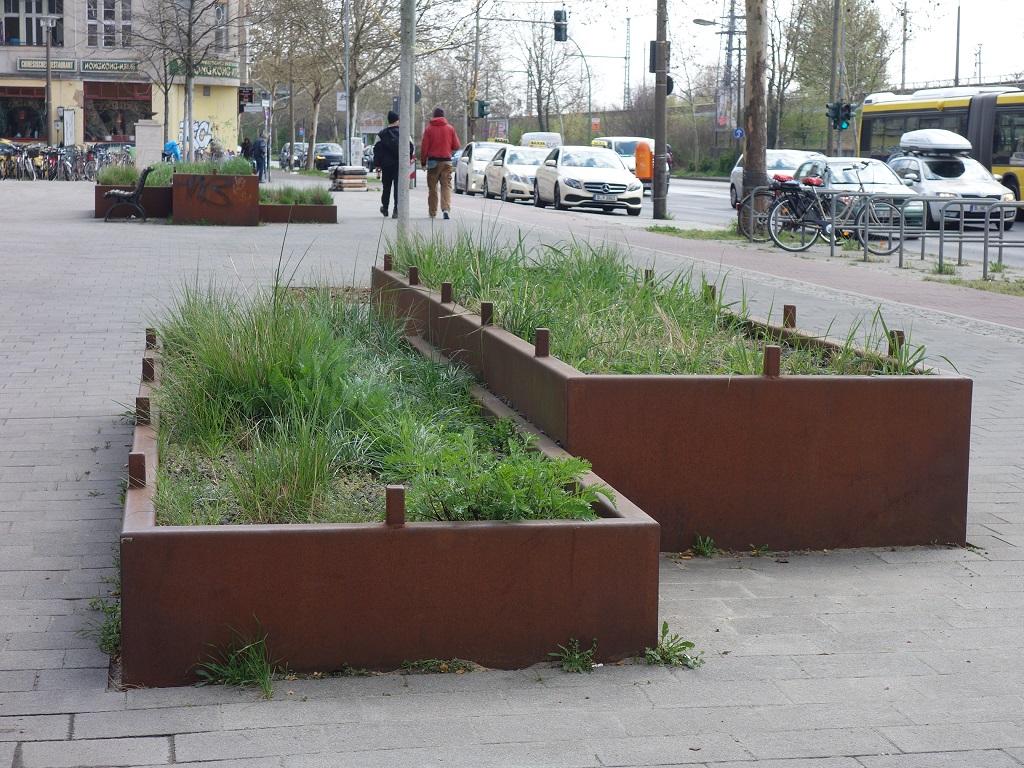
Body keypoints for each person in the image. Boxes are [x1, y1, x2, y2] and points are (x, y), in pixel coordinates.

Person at [419, 107, 460, 219]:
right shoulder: (450, 129)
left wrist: (423, 162)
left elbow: (424, 148)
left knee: (432, 187)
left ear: (434, 116)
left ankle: (433, 211)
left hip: (433, 162)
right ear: (443, 116)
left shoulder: (429, 129)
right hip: (446, 161)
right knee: (446, 186)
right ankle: (446, 209)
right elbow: (456, 146)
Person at [374, 111, 415, 219]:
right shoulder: (404, 134)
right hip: (399, 165)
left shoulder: (381, 134)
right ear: (397, 121)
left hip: (386, 165)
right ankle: (396, 210)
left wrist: (378, 165)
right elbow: (410, 148)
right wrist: (407, 161)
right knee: (398, 187)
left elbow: (377, 150)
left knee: (386, 187)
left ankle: (385, 207)